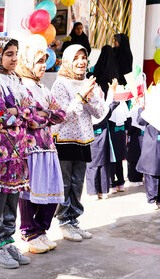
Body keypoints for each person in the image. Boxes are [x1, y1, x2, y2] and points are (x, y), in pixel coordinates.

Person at [0, 36, 32, 266]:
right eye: (8, 53)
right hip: (0, 147)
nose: (13, 58)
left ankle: (8, 240)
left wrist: (17, 112)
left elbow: (29, 112)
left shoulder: (16, 80)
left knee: (14, 194)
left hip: (19, 147)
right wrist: (18, 113)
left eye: (15, 53)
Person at [51, 44, 107, 241]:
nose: (81, 62)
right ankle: (64, 222)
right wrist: (81, 95)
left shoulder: (88, 83)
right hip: (64, 140)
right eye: (76, 58)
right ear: (67, 61)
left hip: (83, 138)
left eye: (83, 57)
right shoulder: (60, 84)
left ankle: (74, 220)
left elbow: (100, 113)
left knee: (77, 183)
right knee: (65, 184)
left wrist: (89, 95)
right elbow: (61, 115)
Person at [16, 39, 67, 253]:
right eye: (38, 61)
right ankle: (29, 232)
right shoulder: (22, 87)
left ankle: (41, 230)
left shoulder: (41, 87)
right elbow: (31, 118)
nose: (42, 66)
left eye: (44, 61)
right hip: (30, 147)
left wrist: (44, 113)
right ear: (27, 62)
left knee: (50, 188)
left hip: (47, 145)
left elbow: (61, 114)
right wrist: (47, 114)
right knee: (31, 190)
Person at [138, 82, 160, 209]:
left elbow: (140, 120)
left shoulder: (154, 107)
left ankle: (151, 201)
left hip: (152, 145)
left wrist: (140, 108)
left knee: (151, 173)